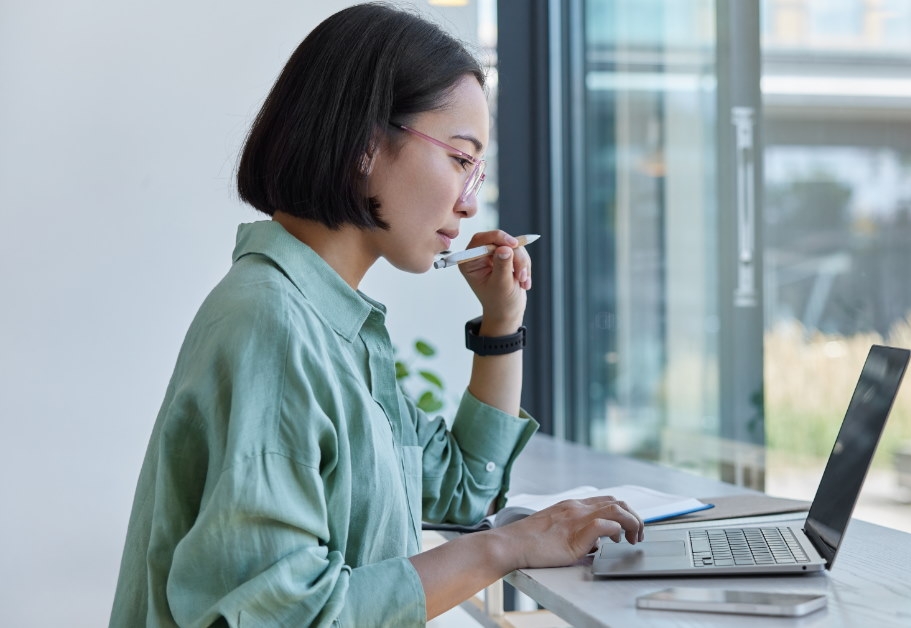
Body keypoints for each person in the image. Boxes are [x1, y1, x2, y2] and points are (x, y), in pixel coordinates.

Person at [109, 4, 643, 625]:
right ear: (365, 144)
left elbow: (465, 487)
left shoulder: (334, 329)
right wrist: (508, 545)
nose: (470, 205)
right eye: (460, 160)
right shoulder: (274, 329)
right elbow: (293, 617)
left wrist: (502, 323)